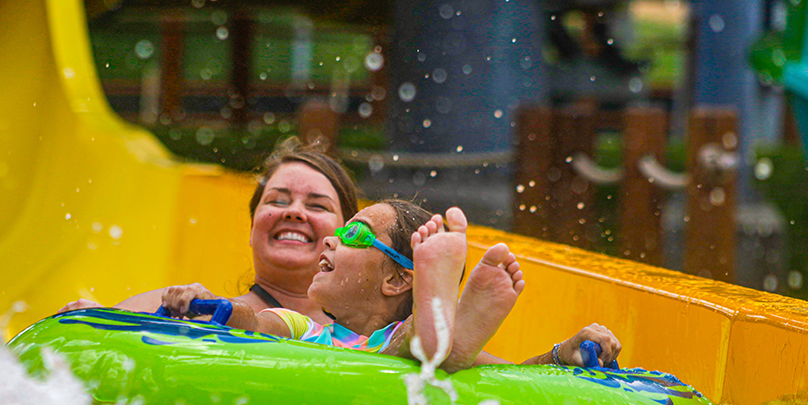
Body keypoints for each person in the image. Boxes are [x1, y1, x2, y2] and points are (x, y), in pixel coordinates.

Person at [160, 200, 622, 372]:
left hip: (407, 349)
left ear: (398, 277)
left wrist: (564, 353)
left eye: (354, 234)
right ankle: (436, 326)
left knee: (420, 350)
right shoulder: (303, 327)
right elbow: (253, 322)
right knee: (435, 353)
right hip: (420, 349)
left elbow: (518, 377)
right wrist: (214, 305)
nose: (330, 238)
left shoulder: (399, 341)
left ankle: (433, 327)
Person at [60, 136, 359, 325]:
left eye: (317, 206)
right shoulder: (186, 307)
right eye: (277, 201)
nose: (293, 211)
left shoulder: (371, 334)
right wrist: (92, 316)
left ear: (345, 236)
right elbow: (99, 326)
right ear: (253, 227)